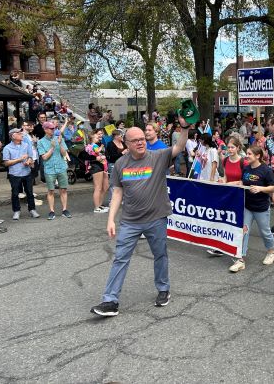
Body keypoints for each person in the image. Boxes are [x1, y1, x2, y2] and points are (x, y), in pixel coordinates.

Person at [90, 118, 190, 317]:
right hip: (130, 221)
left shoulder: (158, 156)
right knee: (120, 259)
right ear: (127, 144)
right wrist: (110, 219)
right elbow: (117, 193)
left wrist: (185, 128)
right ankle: (110, 301)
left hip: (156, 218)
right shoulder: (120, 164)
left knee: (160, 255)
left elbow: (180, 145)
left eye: (142, 138)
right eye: (135, 140)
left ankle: (163, 289)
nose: (140, 142)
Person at [228, 146, 274, 273]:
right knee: (244, 231)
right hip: (247, 206)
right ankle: (240, 259)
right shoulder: (246, 168)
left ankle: (271, 252)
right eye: (247, 153)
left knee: (265, 232)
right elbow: (243, 182)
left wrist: (261, 189)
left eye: (249, 154)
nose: (246, 156)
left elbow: (273, 188)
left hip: (261, 208)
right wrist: (227, 184)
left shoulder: (266, 170)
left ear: (258, 156)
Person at [37, 121, 71, 220]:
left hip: (61, 167)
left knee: (63, 189)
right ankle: (51, 211)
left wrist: (60, 144)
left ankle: (65, 209)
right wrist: (52, 147)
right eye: (51, 129)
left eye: (54, 128)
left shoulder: (60, 138)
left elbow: (64, 154)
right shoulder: (40, 142)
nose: (54, 130)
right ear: (45, 129)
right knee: (51, 190)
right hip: (49, 169)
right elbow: (44, 157)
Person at [3, 128, 39, 220]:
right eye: (19, 133)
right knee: (15, 193)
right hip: (14, 174)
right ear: (13, 136)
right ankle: (16, 211)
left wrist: (28, 161)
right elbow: (6, 163)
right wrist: (20, 159)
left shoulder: (26, 145)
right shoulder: (7, 148)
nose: (22, 135)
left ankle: (32, 209)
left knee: (30, 192)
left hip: (26, 172)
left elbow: (31, 157)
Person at [86, 129, 110, 213]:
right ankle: (97, 207)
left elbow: (105, 154)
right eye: (97, 136)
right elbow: (90, 156)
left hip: (103, 165)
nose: (99, 136)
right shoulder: (92, 146)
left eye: (100, 135)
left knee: (106, 186)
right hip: (96, 166)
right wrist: (98, 157)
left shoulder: (98, 144)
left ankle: (100, 205)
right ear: (92, 138)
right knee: (98, 187)